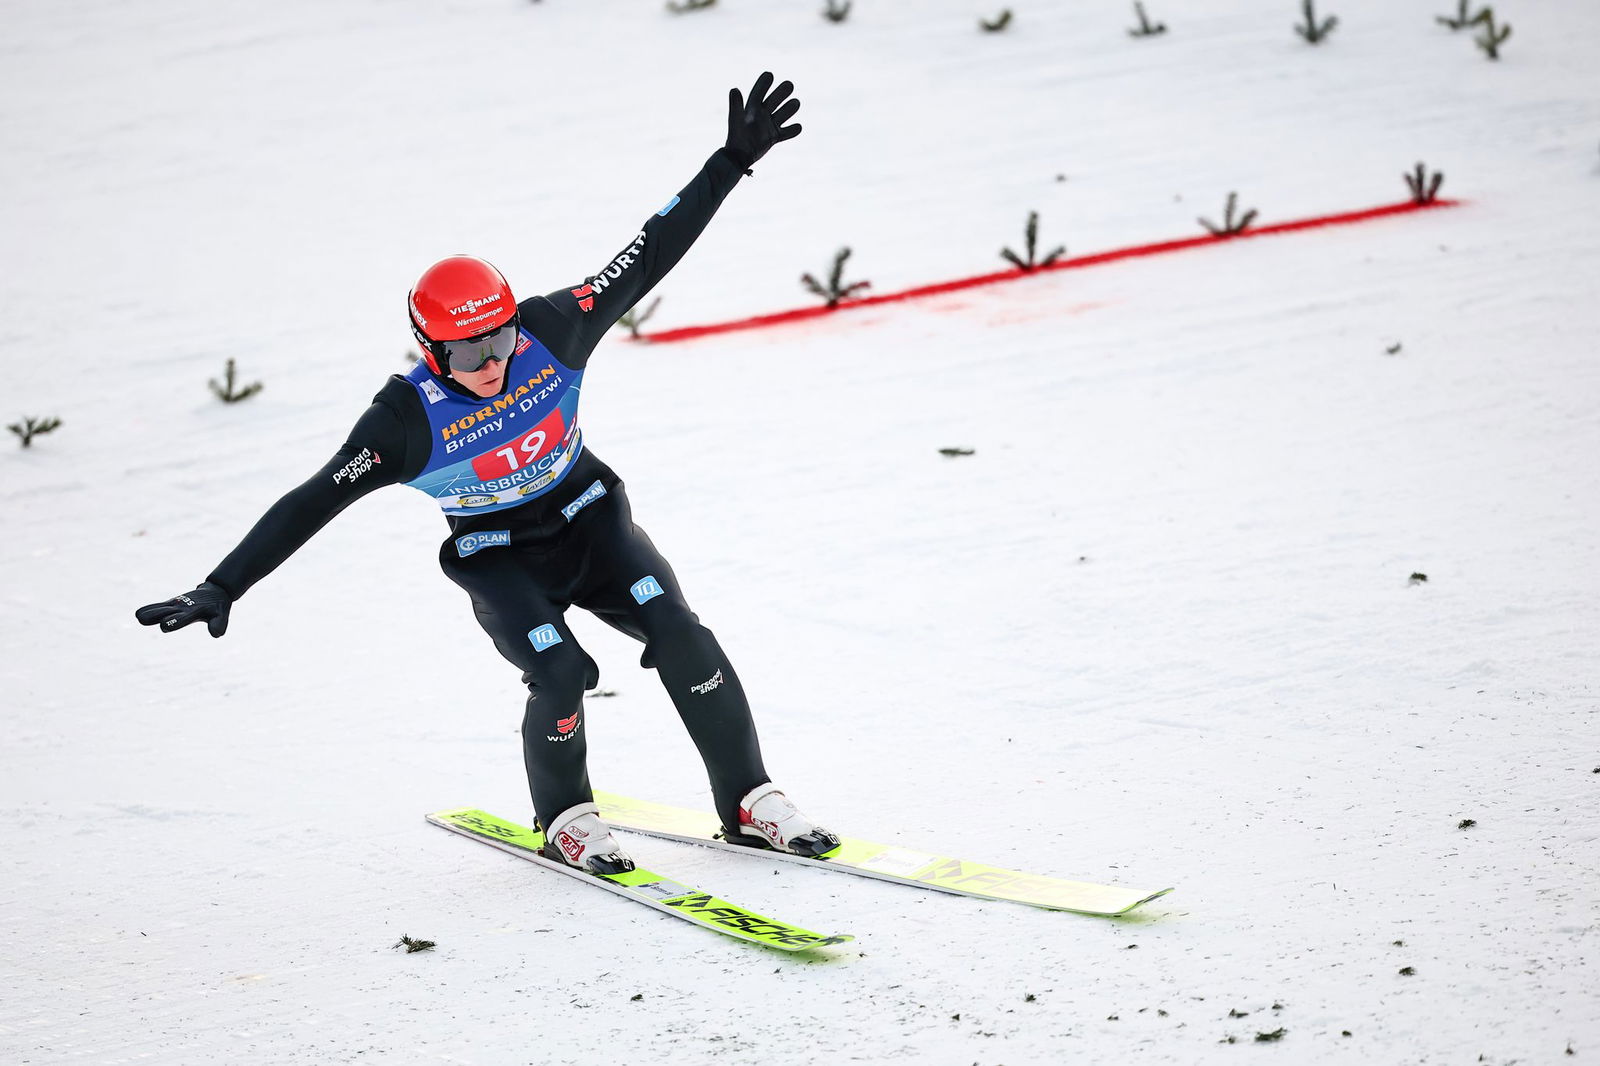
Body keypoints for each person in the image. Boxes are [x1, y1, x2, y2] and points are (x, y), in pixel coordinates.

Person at [135, 73, 838, 876]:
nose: (492, 364)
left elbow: (646, 253)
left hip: (592, 521)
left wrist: (730, 162)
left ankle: (749, 802)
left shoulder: (552, 329)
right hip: (498, 557)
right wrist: (224, 586)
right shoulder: (403, 422)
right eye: (468, 353)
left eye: (498, 341)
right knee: (562, 670)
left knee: (682, 634)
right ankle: (567, 819)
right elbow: (311, 501)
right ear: (430, 349)